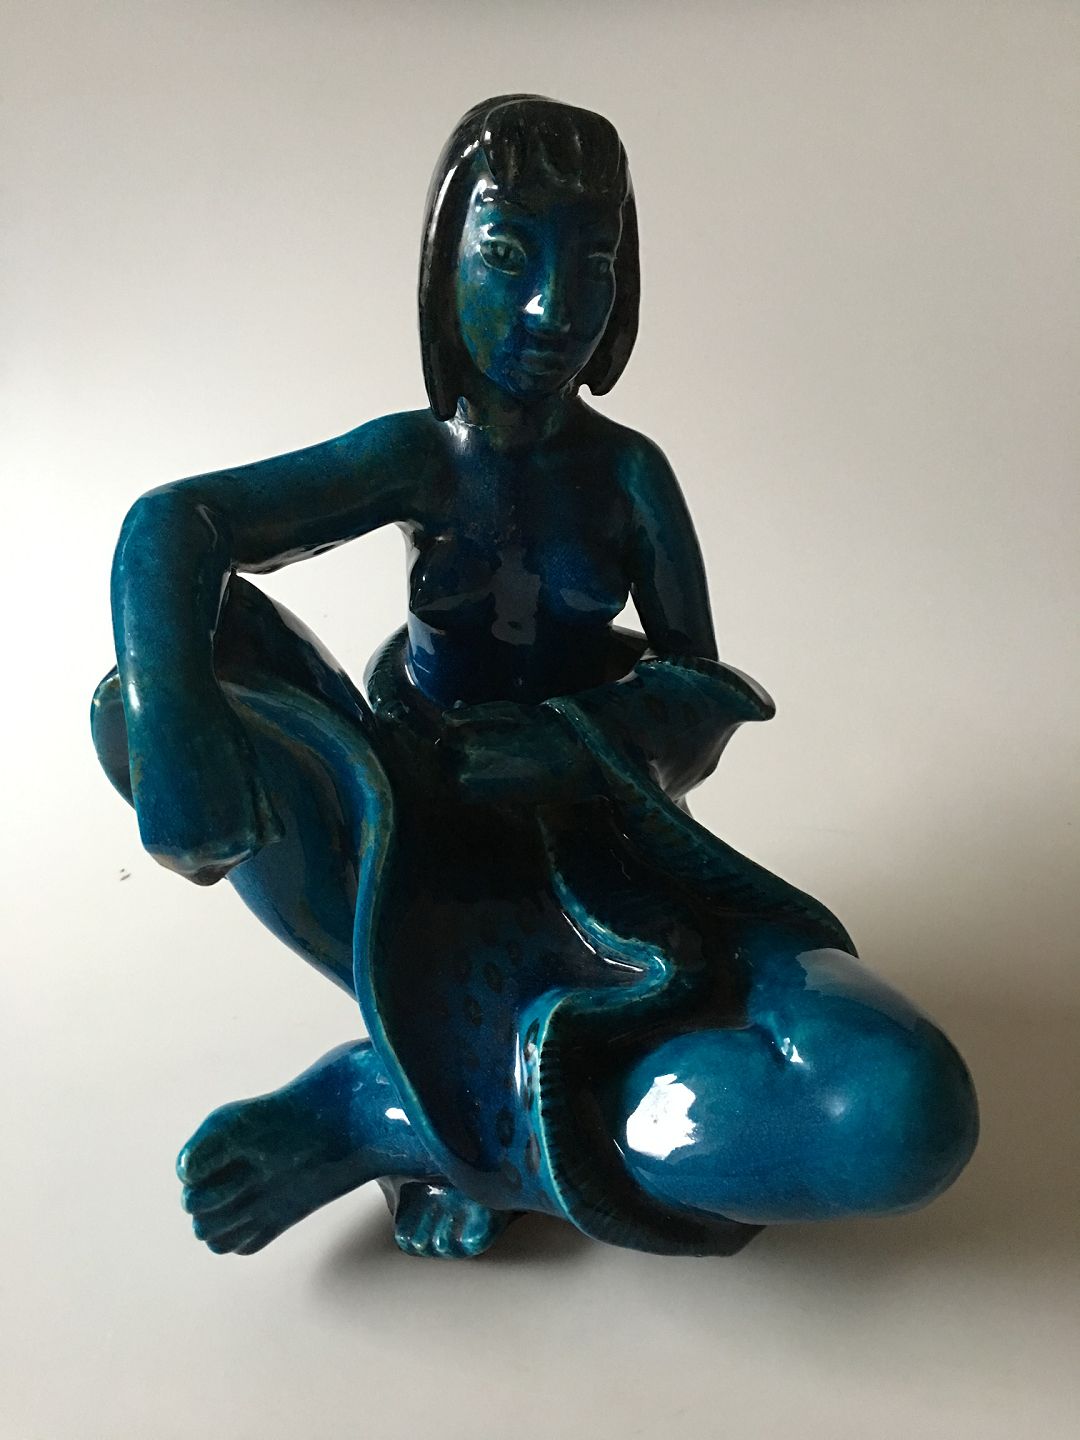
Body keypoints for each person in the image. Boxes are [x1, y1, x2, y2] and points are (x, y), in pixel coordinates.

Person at [91, 95, 978, 1260]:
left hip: (611, 865)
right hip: (402, 843)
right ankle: (453, 1097)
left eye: (592, 264)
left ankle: (385, 1112)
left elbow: (697, 693)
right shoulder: (413, 459)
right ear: (441, 270)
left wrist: (567, 747)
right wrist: (177, 731)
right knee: (138, 701)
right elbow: (177, 523)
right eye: (510, 257)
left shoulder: (628, 476)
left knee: (901, 1111)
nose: (557, 308)